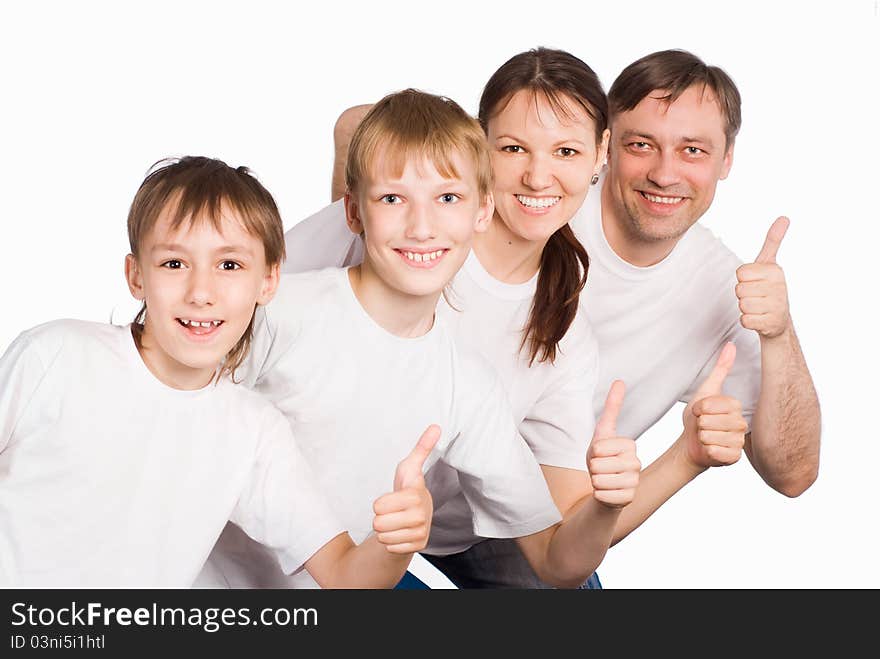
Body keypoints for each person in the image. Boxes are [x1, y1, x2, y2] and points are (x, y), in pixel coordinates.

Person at [276, 49, 753, 589]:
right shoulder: (411, 229)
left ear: (601, 154)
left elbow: (561, 549)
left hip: (460, 521)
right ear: (481, 148)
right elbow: (249, 304)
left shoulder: (558, 333)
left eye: (566, 150)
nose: (537, 175)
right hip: (324, 517)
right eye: (512, 148)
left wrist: (683, 458)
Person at [199, 88, 648, 590]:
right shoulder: (279, 314)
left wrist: (607, 506)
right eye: (393, 199)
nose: (421, 227)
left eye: (448, 199)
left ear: (481, 213)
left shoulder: (468, 387)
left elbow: (555, 563)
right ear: (353, 213)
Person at [0, 156, 435, 587]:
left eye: (229, 265)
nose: (201, 293)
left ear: (268, 280)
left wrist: (396, 542)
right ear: (136, 276)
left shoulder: (252, 431)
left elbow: (346, 577)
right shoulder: (55, 356)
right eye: (174, 263)